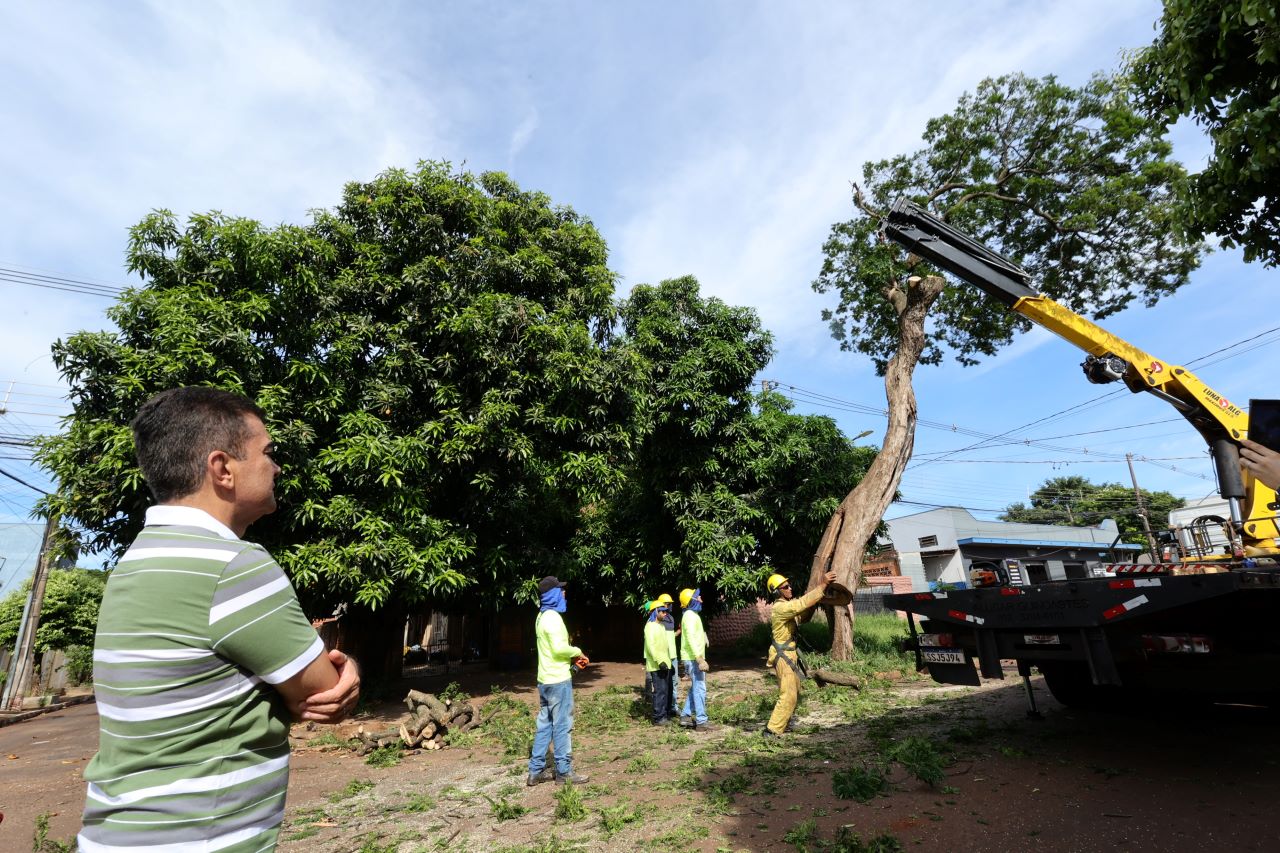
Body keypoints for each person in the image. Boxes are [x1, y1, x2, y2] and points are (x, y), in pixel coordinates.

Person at [78, 387, 360, 853]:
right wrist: (345, 671)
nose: (277, 466)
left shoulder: (135, 561)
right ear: (222, 469)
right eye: (267, 452)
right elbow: (324, 694)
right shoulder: (233, 566)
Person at [528, 575, 589, 786]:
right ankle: (564, 772)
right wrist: (578, 651)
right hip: (558, 681)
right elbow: (560, 649)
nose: (564, 594)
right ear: (553, 594)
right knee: (562, 726)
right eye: (561, 590)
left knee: (544, 725)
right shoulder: (553, 618)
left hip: (544, 680)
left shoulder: (541, 616)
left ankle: (535, 772)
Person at [762, 570, 835, 738]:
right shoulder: (781, 608)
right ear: (777, 591)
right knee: (788, 694)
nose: (790, 588)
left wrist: (815, 601)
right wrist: (822, 585)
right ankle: (771, 730)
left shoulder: (788, 608)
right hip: (784, 656)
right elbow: (801, 604)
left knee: (795, 691)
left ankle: (784, 722)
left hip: (790, 655)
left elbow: (804, 616)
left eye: (789, 585)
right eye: (786, 587)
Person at [678, 587, 712, 731]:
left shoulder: (692, 615)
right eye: (698, 597)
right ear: (691, 600)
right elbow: (691, 637)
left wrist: (703, 634)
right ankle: (701, 722)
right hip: (693, 658)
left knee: (696, 688)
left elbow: (694, 633)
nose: (701, 600)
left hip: (693, 657)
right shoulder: (690, 616)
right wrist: (699, 658)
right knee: (699, 688)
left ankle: (685, 716)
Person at [643, 600, 676, 725]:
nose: (665, 614)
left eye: (666, 611)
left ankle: (665, 715)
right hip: (656, 665)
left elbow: (665, 646)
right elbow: (651, 647)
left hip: (665, 663)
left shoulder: (662, 626)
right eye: (662, 611)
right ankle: (658, 718)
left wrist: (669, 663)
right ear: (656, 611)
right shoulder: (649, 626)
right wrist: (659, 661)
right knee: (659, 691)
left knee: (666, 690)